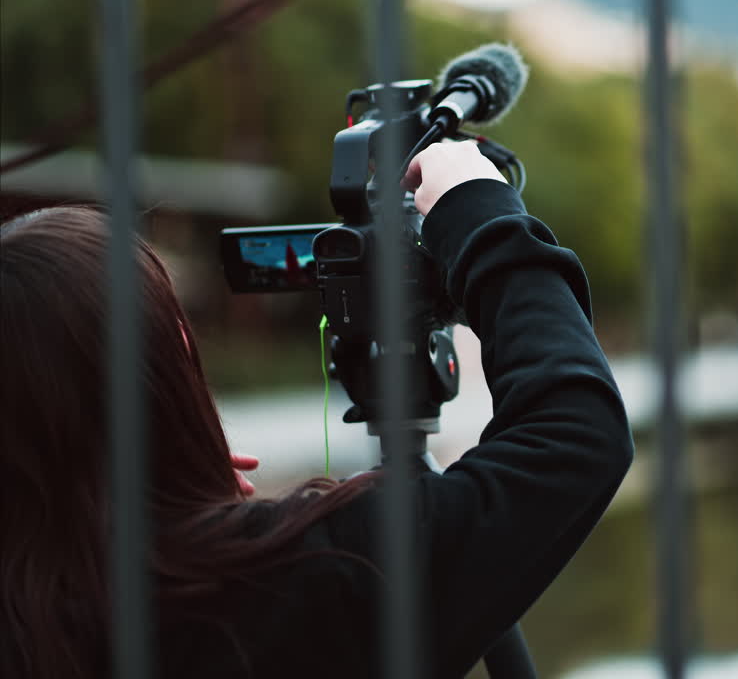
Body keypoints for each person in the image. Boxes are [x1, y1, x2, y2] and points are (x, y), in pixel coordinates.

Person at [0, 141, 634, 679]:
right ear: (172, 361)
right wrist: (480, 209)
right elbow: (577, 436)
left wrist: (150, 483)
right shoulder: (310, 575)